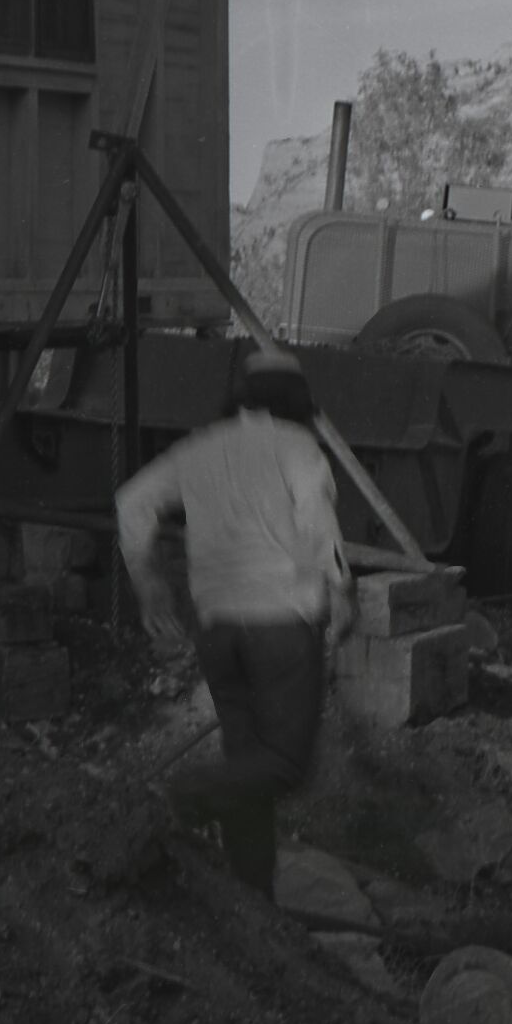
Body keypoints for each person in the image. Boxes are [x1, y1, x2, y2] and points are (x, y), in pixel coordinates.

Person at [115, 340, 356, 894]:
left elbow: (132, 501)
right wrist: (343, 588)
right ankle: (179, 796)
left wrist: (148, 583)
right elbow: (318, 519)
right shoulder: (299, 447)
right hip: (281, 625)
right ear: (298, 402)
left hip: (218, 630)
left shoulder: (202, 447)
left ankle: (254, 901)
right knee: (285, 764)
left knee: (248, 771)